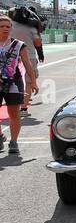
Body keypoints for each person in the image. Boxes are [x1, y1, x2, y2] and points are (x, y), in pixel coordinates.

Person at [0, 14, 39, 156]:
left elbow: (27, 64)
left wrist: (33, 81)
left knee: (14, 113)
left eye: (8, 26)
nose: (5, 29)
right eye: (2, 26)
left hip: (13, 83)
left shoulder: (18, 45)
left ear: (11, 28)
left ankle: (14, 142)